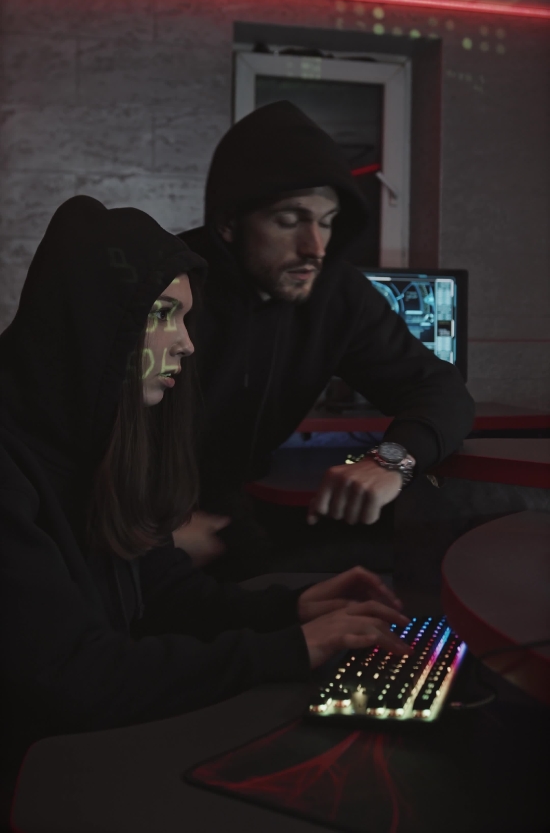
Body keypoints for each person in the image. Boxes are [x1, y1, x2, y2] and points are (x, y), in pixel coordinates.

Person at [0, 195, 409, 791]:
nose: (186, 343)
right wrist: (290, 650)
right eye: (164, 315)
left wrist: (291, 611)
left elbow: (161, 591)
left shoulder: (91, 443)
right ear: (92, 325)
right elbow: (75, 677)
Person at [178, 101, 475, 570]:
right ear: (229, 223)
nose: (314, 247)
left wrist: (390, 461)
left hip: (228, 514)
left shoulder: (335, 294)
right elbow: (71, 436)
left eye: (327, 222)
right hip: (123, 525)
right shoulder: (165, 283)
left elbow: (439, 388)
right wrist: (150, 533)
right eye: (289, 220)